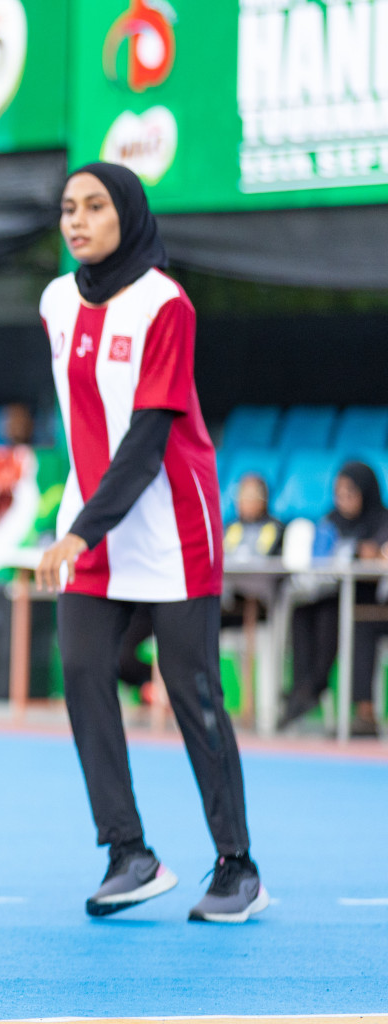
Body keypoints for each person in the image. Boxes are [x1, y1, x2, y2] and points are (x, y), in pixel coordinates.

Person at [36, 162, 266, 923]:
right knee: (81, 670)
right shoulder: (56, 301)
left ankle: (237, 867)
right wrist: (81, 525)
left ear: (126, 214)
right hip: (94, 514)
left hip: (172, 519)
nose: (77, 220)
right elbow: (87, 423)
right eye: (68, 207)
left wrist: (77, 533)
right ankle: (128, 853)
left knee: (191, 687)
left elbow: (147, 437)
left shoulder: (166, 303)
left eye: (94, 206)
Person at [283, 462, 388, 737]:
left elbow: (379, 556)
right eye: (338, 493)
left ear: (366, 491)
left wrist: (373, 554)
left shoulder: (382, 520)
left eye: (350, 492)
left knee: (352, 620)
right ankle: (303, 688)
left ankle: (360, 711)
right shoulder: (331, 520)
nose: (343, 499)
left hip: (375, 604)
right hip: (335, 596)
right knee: (303, 611)